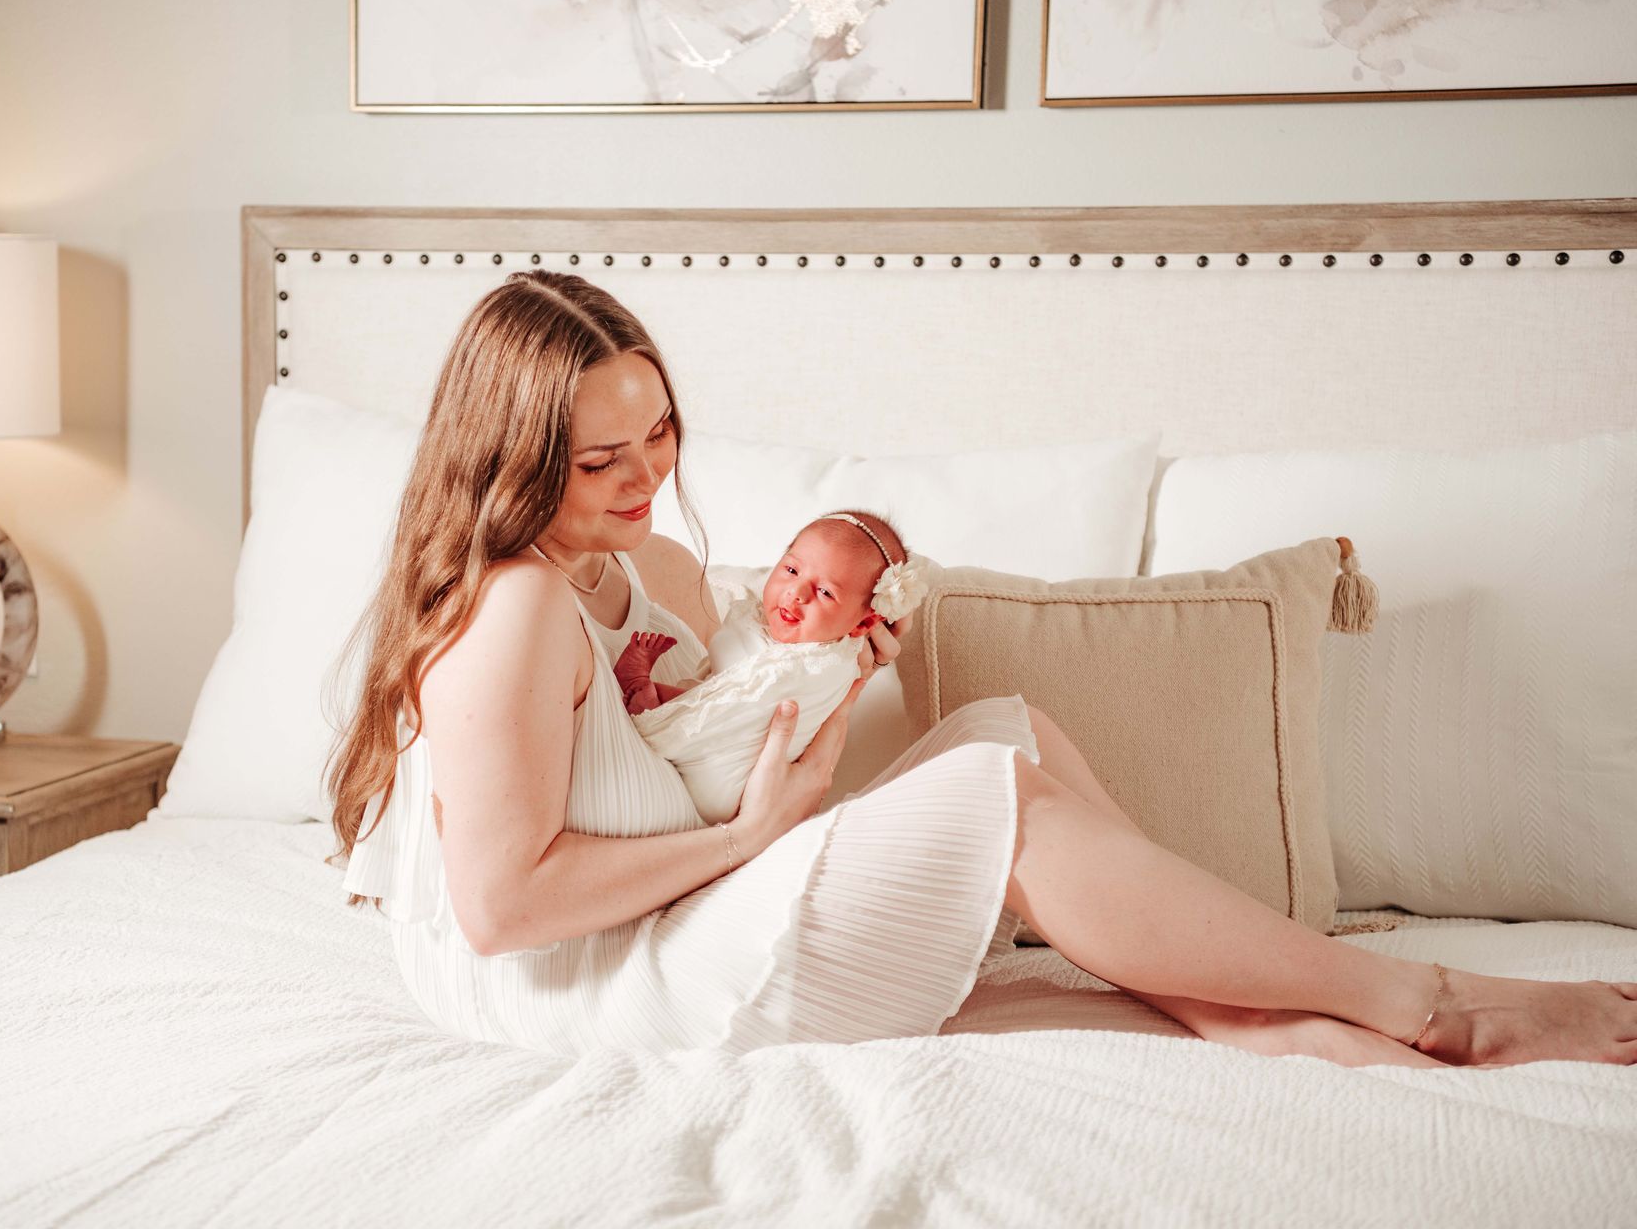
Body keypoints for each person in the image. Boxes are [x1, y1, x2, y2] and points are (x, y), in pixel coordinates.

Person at [325, 269, 1637, 1067]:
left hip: (669, 913)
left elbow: (726, 739)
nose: (647, 476)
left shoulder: (652, 573)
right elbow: (504, 907)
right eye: (600, 461)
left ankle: (1247, 1012)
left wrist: (828, 680)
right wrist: (751, 837)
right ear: (510, 458)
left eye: (659, 433)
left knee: (1007, 728)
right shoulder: (508, 611)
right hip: (590, 988)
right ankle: (1429, 1003)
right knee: (993, 793)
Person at [610, 510, 933, 825]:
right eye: (792, 570)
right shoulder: (771, 625)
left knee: (722, 701)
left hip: (725, 786)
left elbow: (750, 701)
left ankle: (645, 699)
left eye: (825, 592)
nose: (796, 593)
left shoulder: (823, 665)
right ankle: (651, 698)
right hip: (726, 791)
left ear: (864, 623)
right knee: (709, 693)